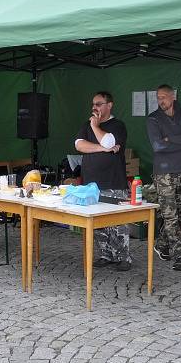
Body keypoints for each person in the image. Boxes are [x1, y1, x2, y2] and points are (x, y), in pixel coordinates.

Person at [74, 91, 131, 271]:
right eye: (93, 104)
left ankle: (124, 257)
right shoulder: (86, 125)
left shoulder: (118, 125)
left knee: (117, 222)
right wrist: (101, 148)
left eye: (98, 104)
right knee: (98, 223)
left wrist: (95, 126)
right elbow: (79, 145)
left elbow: (109, 143)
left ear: (109, 105)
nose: (94, 107)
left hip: (113, 182)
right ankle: (106, 254)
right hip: (91, 184)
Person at [146, 85, 181, 271]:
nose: (161, 101)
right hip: (163, 172)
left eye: (164, 97)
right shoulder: (153, 118)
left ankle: (161, 244)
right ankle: (180, 253)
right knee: (169, 215)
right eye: (158, 97)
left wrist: (171, 139)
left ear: (173, 96)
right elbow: (158, 146)